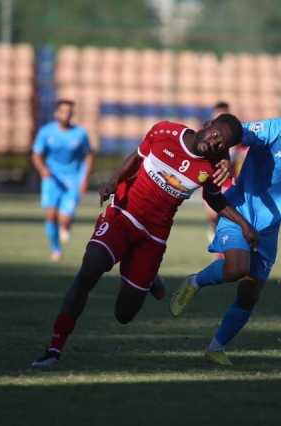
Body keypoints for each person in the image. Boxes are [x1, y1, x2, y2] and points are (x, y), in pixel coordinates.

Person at [31, 114, 259, 368]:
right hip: (123, 214)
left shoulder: (213, 166)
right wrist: (114, 180)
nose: (215, 143)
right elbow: (137, 158)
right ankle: (54, 348)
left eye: (221, 145)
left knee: (124, 315)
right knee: (89, 270)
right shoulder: (164, 132)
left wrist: (243, 224)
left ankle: (149, 279)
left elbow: (216, 200)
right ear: (206, 126)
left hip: (154, 236)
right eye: (215, 135)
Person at [170, 102, 281, 366]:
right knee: (237, 268)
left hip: (270, 227)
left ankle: (215, 348)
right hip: (238, 209)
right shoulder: (279, 128)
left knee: (249, 293)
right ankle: (195, 282)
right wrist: (225, 159)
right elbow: (232, 134)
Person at [32, 99, 94, 261]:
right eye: (63, 111)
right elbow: (36, 154)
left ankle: (66, 225)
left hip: (73, 179)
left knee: (64, 218)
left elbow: (88, 154)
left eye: (69, 112)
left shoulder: (80, 133)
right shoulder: (46, 132)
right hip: (52, 178)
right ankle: (56, 249)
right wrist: (43, 170)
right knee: (51, 215)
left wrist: (85, 177)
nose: (66, 114)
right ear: (56, 113)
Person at [202, 102, 249, 252]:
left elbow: (243, 152)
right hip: (211, 180)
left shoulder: (235, 137)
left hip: (229, 181)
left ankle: (225, 248)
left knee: (226, 216)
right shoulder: (205, 134)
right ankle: (216, 240)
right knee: (212, 218)